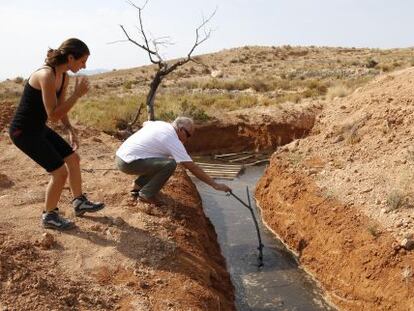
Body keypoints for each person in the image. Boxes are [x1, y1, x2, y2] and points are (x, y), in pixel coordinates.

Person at [9, 38, 105, 230]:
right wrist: (77, 95)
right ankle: (49, 216)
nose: (85, 65)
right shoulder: (46, 75)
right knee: (60, 173)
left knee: (73, 158)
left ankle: (79, 202)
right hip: (23, 132)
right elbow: (53, 115)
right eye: (82, 60)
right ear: (70, 57)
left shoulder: (64, 76)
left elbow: (60, 110)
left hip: (38, 128)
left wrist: (69, 128)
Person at [115, 116, 231, 205]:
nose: (188, 139)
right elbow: (192, 167)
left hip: (121, 156)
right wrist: (215, 185)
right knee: (170, 164)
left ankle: (138, 185)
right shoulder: (173, 140)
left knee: (162, 161)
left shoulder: (161, 124)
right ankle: (146, 194)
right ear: (181, 130)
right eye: (188, 135)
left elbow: (146, 123)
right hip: (128, 163)